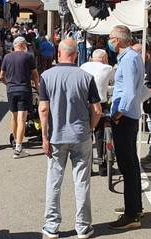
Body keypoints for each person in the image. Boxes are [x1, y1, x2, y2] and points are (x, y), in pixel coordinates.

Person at [38, 39, 102, 239]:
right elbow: (97, 110)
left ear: (59, 53)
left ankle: (52, 226)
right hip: (80, 134)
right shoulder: (86, 77)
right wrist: (89, 128)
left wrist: (44, 137)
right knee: (81, 181)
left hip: (56, 136)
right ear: (76, 55)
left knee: (54, 181)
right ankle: (83, 227)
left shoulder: (46, 76)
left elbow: (43, 108)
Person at [107, 25, 145, 230]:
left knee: (127, 166)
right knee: (131, 165)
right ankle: (134, 207)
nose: (109, 41)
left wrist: (117, 114)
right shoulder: (131, 57)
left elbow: (129, 92)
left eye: (111, 38)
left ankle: (132, 214)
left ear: (119, 40)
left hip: (125, 117)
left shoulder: (129, 59)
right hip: (129, 116)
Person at [0, 36, 39, 159]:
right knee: (22, 118)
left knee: (14, 117)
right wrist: (37, 87)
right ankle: (18, 147)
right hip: (24, 89)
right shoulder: (28, 57)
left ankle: (15, 141)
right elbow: (35, 75)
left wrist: (8, 84)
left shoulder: (7, 57)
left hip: (11, 90)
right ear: (22, 45)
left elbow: (1, 75)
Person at [80, 49, 113, 176]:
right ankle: (102, 167)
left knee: (87, 133)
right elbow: (114, 82)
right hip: (99, 102)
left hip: (84, 102)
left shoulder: (83, 66)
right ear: (105, 59)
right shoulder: (108, 68)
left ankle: (87, 166)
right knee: (99, 133)